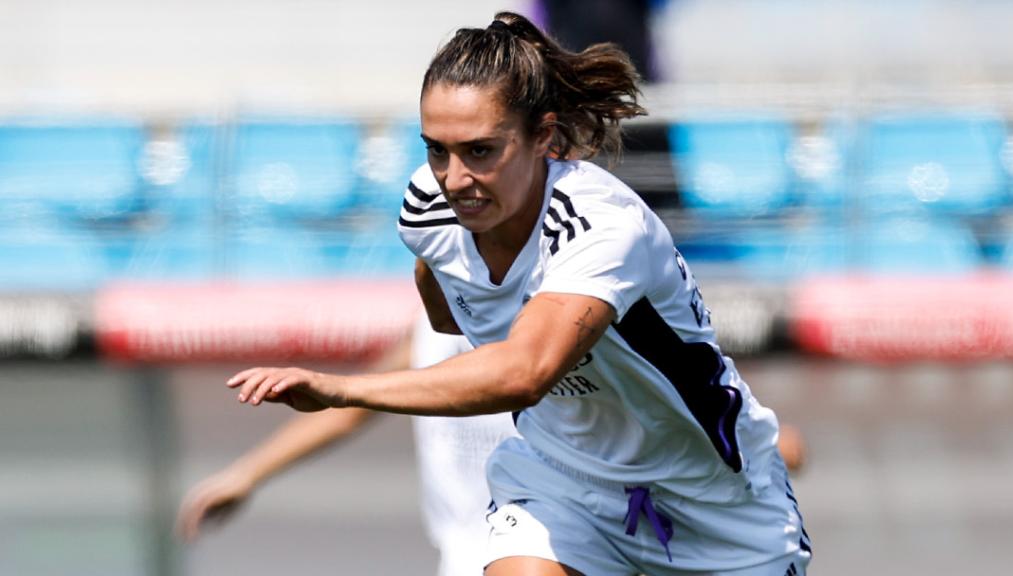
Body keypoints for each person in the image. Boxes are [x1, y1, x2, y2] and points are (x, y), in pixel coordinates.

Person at [228, 11, 811, 576]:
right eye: (436, 149)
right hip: (564, 479)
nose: (454, 179)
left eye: (480, 151)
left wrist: (341, 389)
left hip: (715, 504)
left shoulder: (602, 227)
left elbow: (524, 372)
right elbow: (451, 316)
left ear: (545, 139)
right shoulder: (428, 206)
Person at [177, 311, 520, 576]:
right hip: (462, 551)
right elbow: (349, 408)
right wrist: (246, 474)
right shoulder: (430, 324)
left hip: (540, 544)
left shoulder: (543, 320)